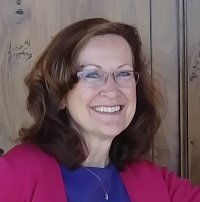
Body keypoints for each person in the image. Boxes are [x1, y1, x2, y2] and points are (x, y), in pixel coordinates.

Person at [0, 18, 199, 202]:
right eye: (92, 74)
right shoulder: (16, 173)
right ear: (59, 95)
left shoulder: (155, 180)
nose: (112, 91)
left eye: (123, 73)